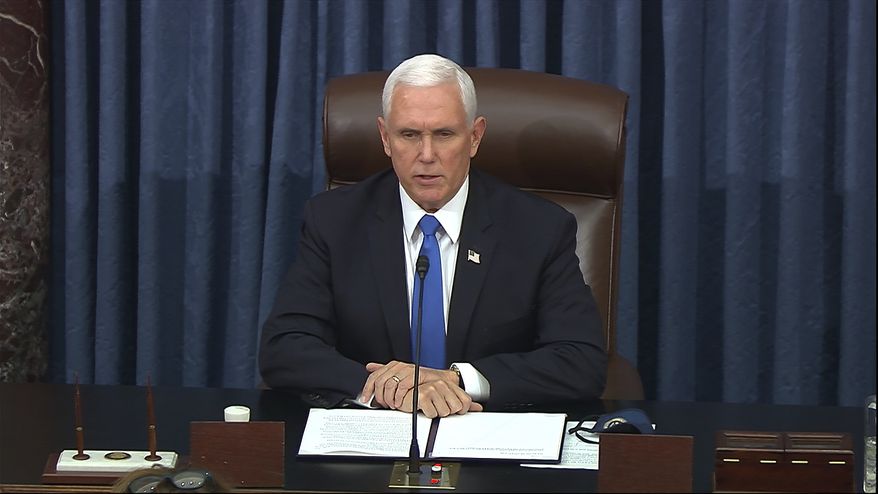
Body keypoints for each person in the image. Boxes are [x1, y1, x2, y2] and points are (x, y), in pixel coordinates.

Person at [259, 53, 607, 418]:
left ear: (474, 137)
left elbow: (580, 360)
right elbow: (284, 347)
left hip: (485, 434)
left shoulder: (538, 229)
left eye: (444, 134)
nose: (426, 155)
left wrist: (458, 380)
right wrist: (383, 387)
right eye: (409, 135)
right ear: (385, 138)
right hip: (372, 432)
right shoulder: (334, 220)